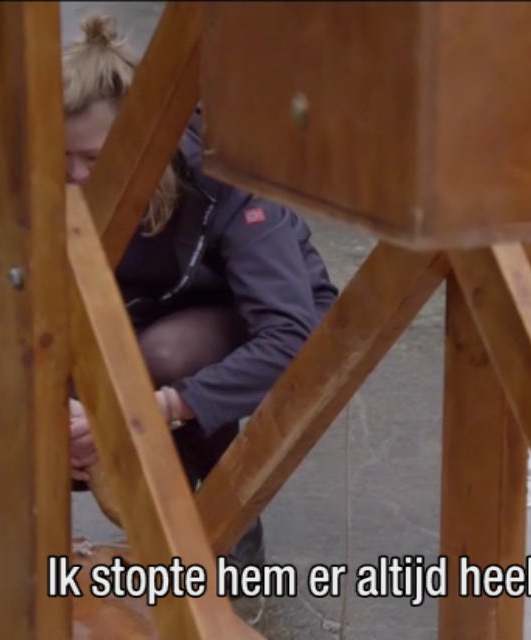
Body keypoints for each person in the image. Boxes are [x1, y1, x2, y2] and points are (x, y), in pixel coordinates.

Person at [60, 14, 339, 567]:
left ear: (144, 140)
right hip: (154, 306)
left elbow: (289, 335)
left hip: (260, 313)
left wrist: (156, 408)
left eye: (94, 157)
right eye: (62, 157)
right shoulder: (56, 182)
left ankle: (228, 513)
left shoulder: (226, 170)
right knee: (50, 396)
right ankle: (161, 507)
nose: (78, 176)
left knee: (164, 358)